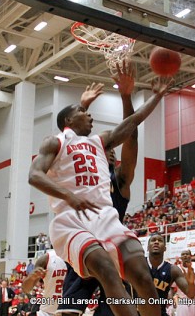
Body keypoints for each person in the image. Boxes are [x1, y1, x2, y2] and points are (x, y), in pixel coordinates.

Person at [29, 61, 171, 316]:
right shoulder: (55, 142)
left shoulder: (101, 147)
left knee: (141, 272)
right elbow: (34, 175)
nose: (91, 116)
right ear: (70, 119)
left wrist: (157, 97)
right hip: (72, 221)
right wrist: (69, 195)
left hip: (106, 219)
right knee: (102, 272)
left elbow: (132, 124)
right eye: (85, 113)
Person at [57, 64, 138, 316]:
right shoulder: (80, 172)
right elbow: (68, 145)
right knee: (69, 311)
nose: (107, 152)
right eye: (103, 149)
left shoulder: (120, 180)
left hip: (112, 249)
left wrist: (126, 97)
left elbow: (130, 137)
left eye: (110, 150)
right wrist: (83, 108)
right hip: (83, 245)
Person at [148, 234, 195, 316]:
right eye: (153, 240)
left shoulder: (173, 270)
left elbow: (191, 294)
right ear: (147, 247)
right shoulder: (139, 265)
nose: (156, 242)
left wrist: (191, 284)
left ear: (165, 248)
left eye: (160, 240)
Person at [22, 251, 67, 316]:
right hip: (47, 312)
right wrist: (32, 278)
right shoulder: (47, 258)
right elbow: (25, 289)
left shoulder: (80, 256)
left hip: (72, 311)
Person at [172, 250, 195, 316]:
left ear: (191, 256)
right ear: (181, 257)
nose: (185, 255)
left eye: (187, 254)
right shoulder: (176, 269)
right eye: (183, 254)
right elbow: (172, 287)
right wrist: (173, 299)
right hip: (183, 300)